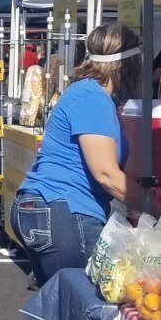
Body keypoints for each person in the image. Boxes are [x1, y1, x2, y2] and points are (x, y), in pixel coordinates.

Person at [11, 21, 141, 284]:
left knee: (62, 307)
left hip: (48, 206)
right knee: (84, 307)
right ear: (124, 64)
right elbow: (105, 173)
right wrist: (160, 207)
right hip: (65, 210)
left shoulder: (85, 94)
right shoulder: (92, 98)